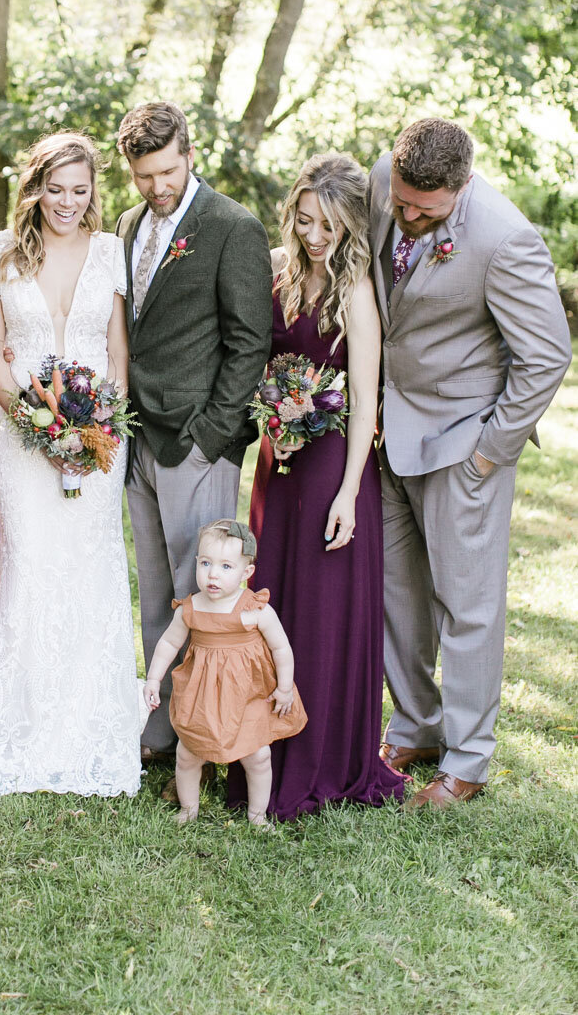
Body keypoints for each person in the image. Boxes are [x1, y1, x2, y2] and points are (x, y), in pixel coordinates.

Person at [370, 118, 571, 809]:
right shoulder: (381, 181)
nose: (404, 216)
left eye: (423, 211)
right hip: (385, 435)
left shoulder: (503, 236)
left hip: (462, 445)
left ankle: (467, 761)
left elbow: (545, 354)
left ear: (459, 187)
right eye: (399, 201)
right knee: (397, 596)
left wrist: (491, 450)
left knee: (466, 607)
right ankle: (415, 726)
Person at [0, 132, 141, 797]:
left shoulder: (110, 252)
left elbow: (115, 348)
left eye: (79, 190)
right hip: (22, 436)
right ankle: (21, 728)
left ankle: (90, 726)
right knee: (31, 561)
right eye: (55, 189)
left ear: (94, 192)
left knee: (90, 563)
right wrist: (32, 423)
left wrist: (102, 427)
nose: (67, 202)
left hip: (98, 438)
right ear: (32, 188)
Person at [227, 153, 405, 819]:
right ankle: (259, 752)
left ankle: (322, 758)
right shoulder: (277, 270)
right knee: (273, 600)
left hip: (332, 464)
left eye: (326, 225)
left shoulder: (355, 289)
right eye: (303, 220)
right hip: (277, 461)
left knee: (323, 613)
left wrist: (347, 494)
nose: (312, 236)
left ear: (349, 224)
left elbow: (364, 398)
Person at [115, 102, 272, 776]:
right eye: (144, 175)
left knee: (205, 594)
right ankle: (161, 731)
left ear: (189, 152)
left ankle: (207, 738)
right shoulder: (125, 226)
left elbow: (248, 344)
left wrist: (211, 435)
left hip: (196, 442)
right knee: (158, 593)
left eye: (168, 170)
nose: (157, 187)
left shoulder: (232, 227)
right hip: (137, 439)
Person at [144, 520, 306, 825]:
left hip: (248, 695)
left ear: (247, 573)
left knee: (257, 756)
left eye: (226, 567)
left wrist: (284, 688)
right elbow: (168, 642)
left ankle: (257, 815)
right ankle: (188, 808)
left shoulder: (255, 609)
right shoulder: (190, 608)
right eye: (205, 563)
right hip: (202, 694)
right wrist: (154, 678)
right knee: (189, 754)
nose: (213, 574)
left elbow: (281, 649)